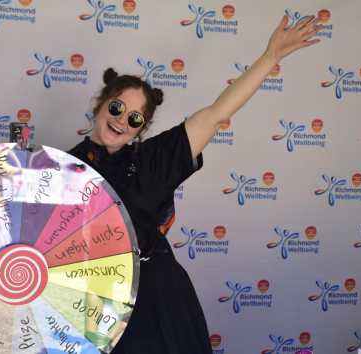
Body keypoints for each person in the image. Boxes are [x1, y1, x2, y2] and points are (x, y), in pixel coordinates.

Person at [67, 15, 323, 354]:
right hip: (93, 305)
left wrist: (271, 56)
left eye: (134, 117)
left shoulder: (154, 160)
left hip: (157, 298)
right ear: (100, 103)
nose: (121, 119)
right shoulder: (58, 169)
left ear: (141, 128)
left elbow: (218, 113)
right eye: (116, 107)